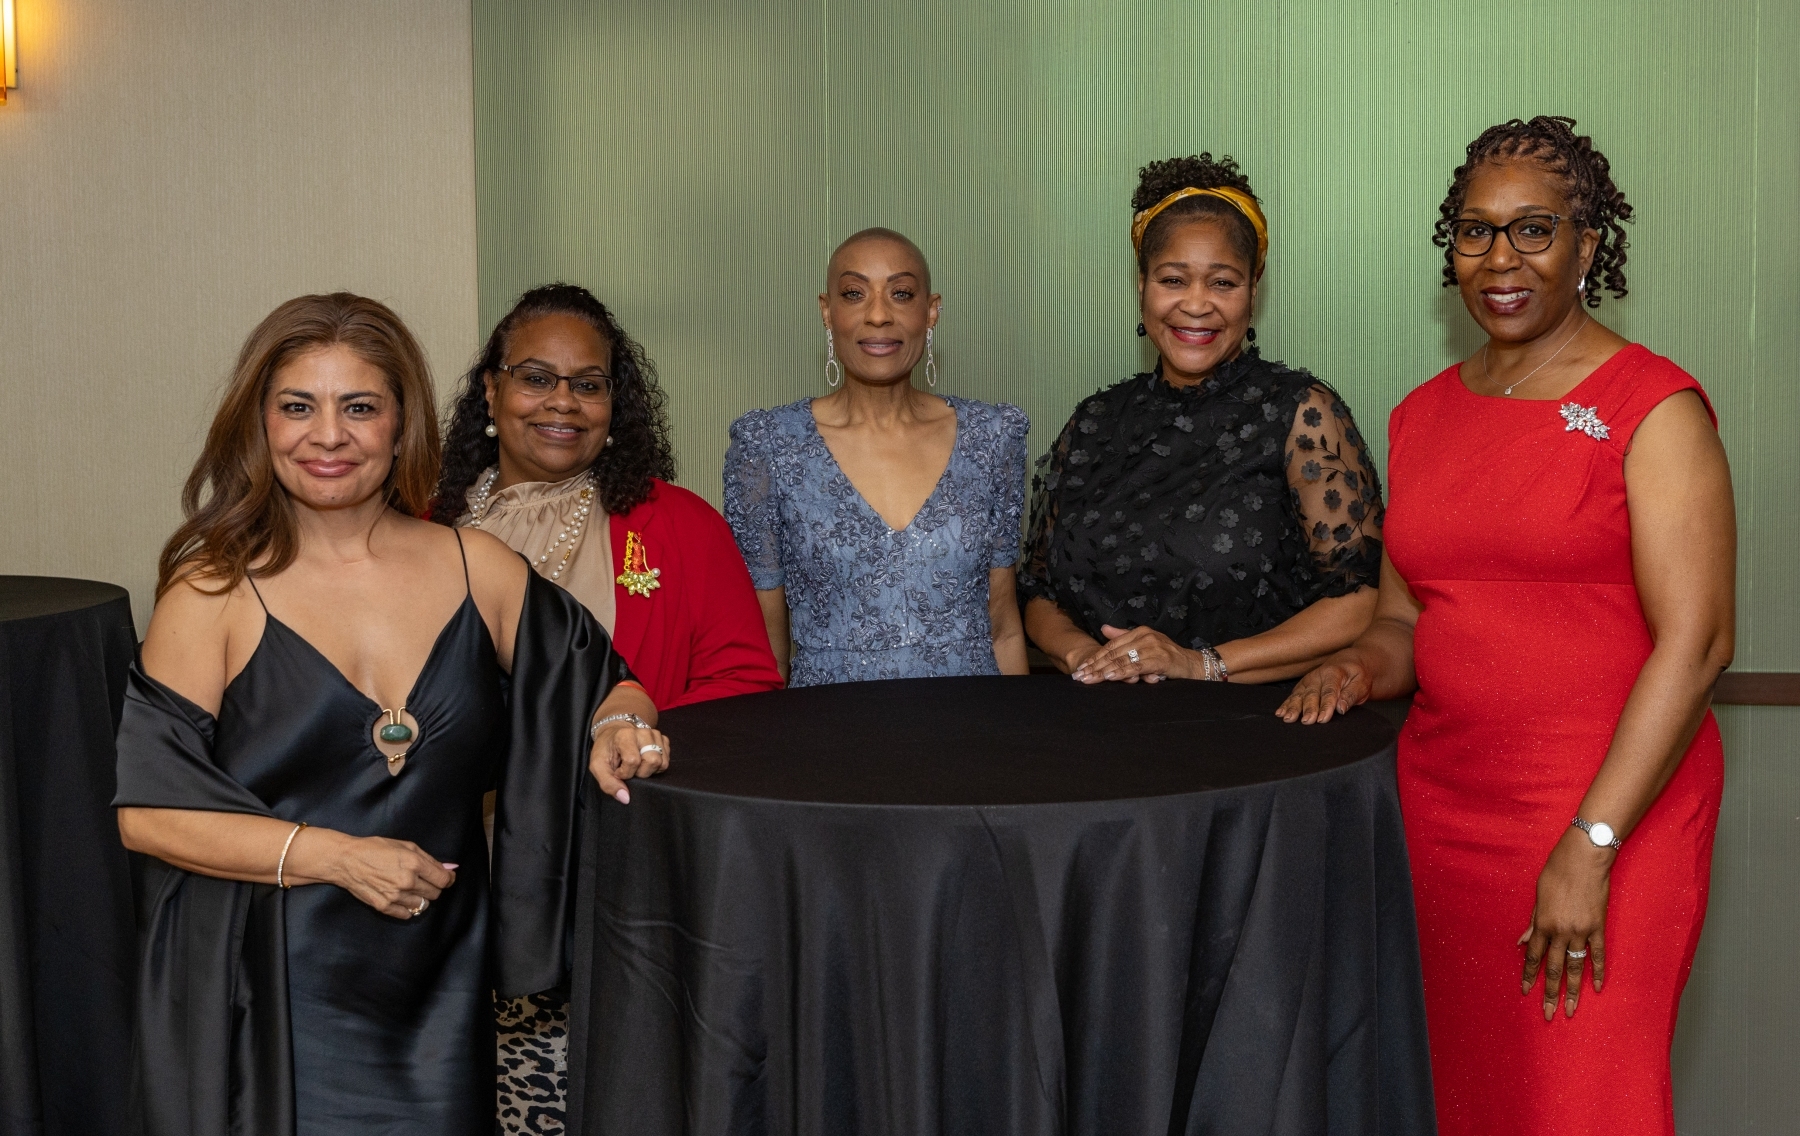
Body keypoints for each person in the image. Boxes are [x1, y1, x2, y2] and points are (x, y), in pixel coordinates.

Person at [113, 293, 670, 1136]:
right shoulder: (213, 590)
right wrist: (336, 856)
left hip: (438, 991)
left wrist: (618, 721)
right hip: (270, 993)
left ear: (402, 423)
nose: (328, 436)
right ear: (260, 424)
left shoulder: (479, 567)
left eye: (359, 407)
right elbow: (149, 812)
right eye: (297, 407)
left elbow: (606, 681)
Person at [1278, 117, 1733, 1136]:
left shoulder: (1652, 407)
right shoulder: (1421, 414)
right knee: (1464, 1096)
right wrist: (1356, 666)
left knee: (1581, 1100)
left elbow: (1699, 643)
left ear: (1588, 244)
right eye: (1476, 231)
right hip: (1445, 812)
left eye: (1534, 229)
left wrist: (1591, 841)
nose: (1501, 258)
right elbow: (1406, 616)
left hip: (1612, 808)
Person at [432, 282, 780, 1132]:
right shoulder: (417, 527)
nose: (562, 402)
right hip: (442, 883)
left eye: (588, 384)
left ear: (615, 405)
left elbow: (745, 686)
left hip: (614, 875)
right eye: (536, 378)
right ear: (491, 391)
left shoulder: (679, 525)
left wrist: (635, 727)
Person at [1021, 154, 1384, 684]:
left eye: (1222, 283)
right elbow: (1038, 590)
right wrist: (1085, 658)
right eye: (1173, 280)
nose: (1196, 305)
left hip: (1244, 720)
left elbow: (1360, 600)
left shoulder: (1301, 414)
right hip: (1093, 716)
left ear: (1254, 289)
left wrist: (1200, 664)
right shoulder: (1094, 421)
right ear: (1142, 285)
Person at [723, 227, 1030, 686]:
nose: (879, 315)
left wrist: (1020, 728)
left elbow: (1003, 628)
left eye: (901, 294)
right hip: (830, 724)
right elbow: (766, 650)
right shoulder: (767, 446)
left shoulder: (993, 437)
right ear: (827, 311)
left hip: (973, 720)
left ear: (931, 311)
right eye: (854, 294)